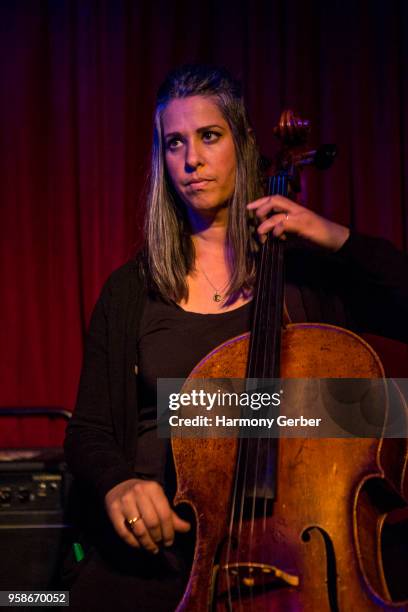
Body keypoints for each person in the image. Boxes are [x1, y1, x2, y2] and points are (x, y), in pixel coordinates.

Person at [63, 65, 408, 611]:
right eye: (174, 142)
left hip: (303, 550)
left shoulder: (307, 275)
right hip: (165, 553)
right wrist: (117, 484)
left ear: (244, 145)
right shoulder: (132, 290)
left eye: (209, 136)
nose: (191, 160)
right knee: (40, 601)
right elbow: (89, 430)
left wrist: (336, 239)